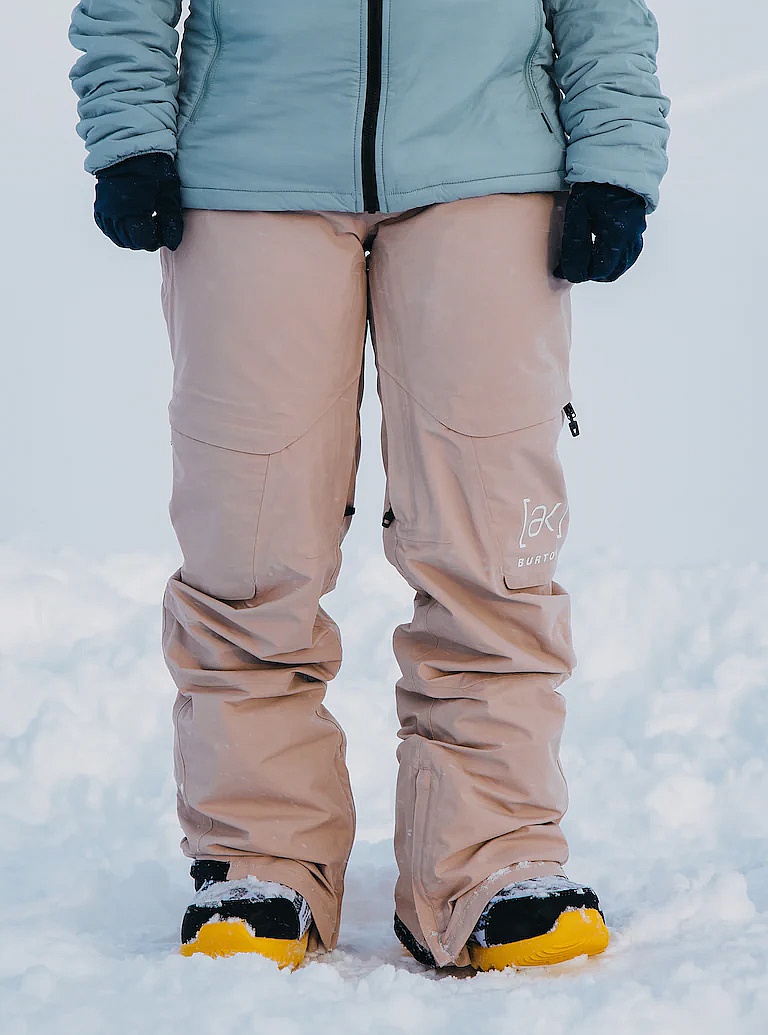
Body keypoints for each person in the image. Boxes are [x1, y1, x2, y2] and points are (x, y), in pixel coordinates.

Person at [68, 0, 670, 972]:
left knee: (492, 546)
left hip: (489, 164)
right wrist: (129, 133)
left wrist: (616, 153)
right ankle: (260, 859)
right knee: (248, 547)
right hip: (249, 168)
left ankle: (489, 856)